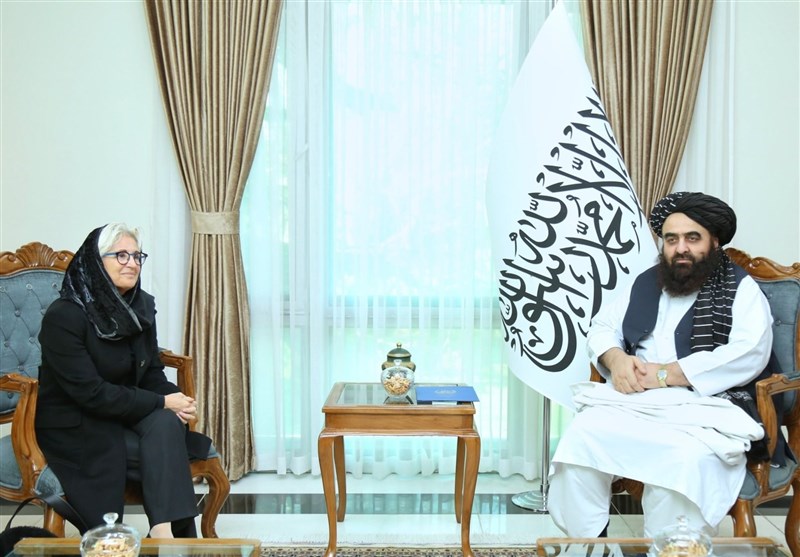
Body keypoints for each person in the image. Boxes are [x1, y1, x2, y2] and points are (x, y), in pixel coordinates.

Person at [547, 192, 777, 537]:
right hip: (635, 400)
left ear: (715, 242)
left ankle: (671, 547)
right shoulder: (647, 282)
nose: (680, 248)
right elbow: (602, 327)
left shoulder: (741, 289)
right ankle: (588, 543)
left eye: (692, 238)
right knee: (581, 438)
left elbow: (750, 351)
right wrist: (616, 358)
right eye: (671, 239)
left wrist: (668, 374)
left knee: (682, 459)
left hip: (705, 405)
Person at [35, 223, 210, 537]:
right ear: (95, 262)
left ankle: (162, 533)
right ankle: (173, 539)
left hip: (125, 412)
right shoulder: (64, 316)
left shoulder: (141, 308)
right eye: (121, 255)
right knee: (163, 444)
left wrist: (177, 401)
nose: (132, 263)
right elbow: (90, 393)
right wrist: (162, 402)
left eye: (137, 256)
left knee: (166, 423)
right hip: (78, 421)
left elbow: (151, 372)